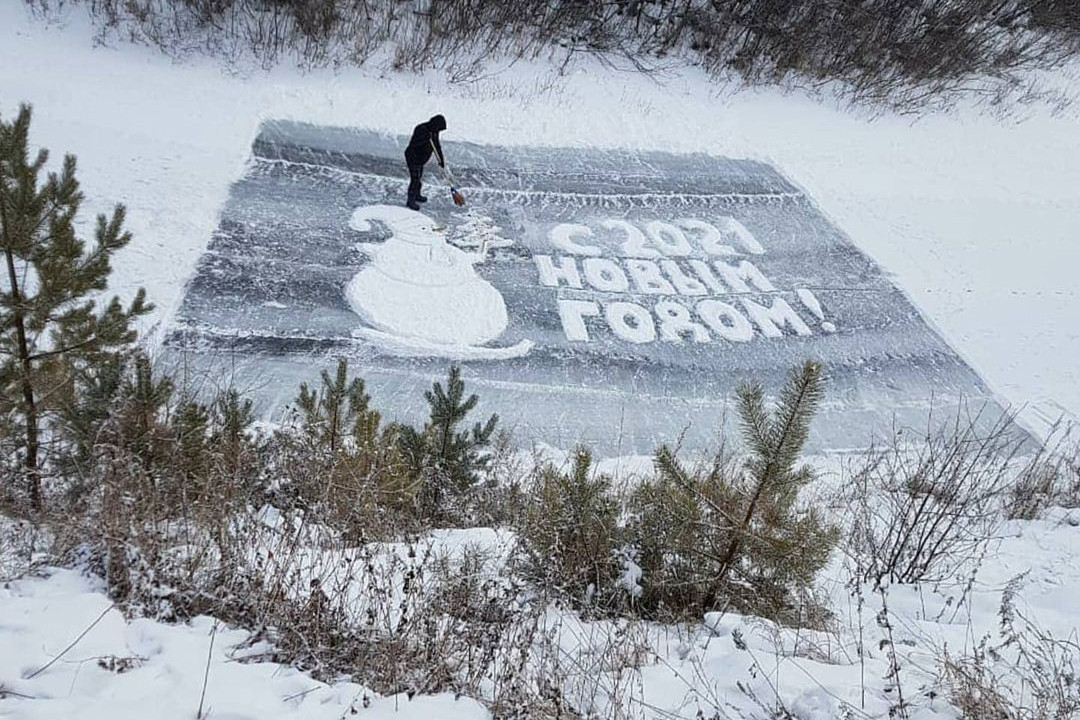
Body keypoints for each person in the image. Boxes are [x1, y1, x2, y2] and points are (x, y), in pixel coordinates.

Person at [404, 114, 447, 211]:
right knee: (415, 179)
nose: (439, 131)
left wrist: (440, 160)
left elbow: (436, 146)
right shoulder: (421, 129)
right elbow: (414, 144)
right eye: (439, 129)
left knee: (419, 177)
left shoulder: (434, 132)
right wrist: (425, 138)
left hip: (421, 159)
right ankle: (410, 200)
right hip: (413, 157)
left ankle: (417, 195)